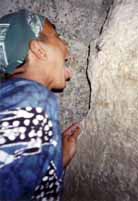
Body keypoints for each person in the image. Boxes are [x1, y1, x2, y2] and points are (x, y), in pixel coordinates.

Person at [0, 9, 80, 201]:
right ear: (38, 49)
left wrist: (56, 160)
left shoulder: (15, 99)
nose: (67, 49)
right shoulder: (32, 101)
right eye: (58, 37)